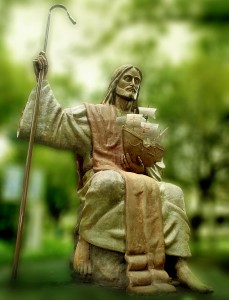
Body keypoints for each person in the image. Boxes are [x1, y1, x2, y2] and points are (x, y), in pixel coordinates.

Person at [18, 52, 212, 294]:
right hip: (102, 173)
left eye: (137, 81)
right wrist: (41, 81)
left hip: (135, 179)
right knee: (108, 181)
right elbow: (57, 123)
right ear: (115, 82)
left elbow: (153, 166)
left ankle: (179, 264)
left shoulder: (141, 122)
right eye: (128, 78)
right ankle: (85, 243)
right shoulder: (93, 114)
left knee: (173, 192)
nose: (133, 84)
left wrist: (139, 164)